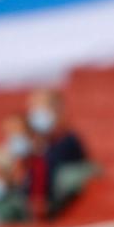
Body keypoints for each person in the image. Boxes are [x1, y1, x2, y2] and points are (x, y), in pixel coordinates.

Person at [26, 89, 96, 217]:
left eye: (40, 109)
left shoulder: (69, 142)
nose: (34, 113)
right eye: (33, 109)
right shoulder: (35, 146)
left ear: (57, 110)